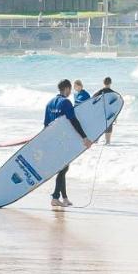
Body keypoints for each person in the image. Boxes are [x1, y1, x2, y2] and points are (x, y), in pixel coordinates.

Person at [45, 79, 93, 207]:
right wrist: (84, 137)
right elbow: (73, 120)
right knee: (63, 169)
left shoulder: (50, 103)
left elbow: (45, 126)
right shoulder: (66, 102)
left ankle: (64, 198)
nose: (70, 91)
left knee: (63, 168)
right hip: (63, 141)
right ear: (66, 88)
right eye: (70, 89)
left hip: (53, 141)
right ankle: (55, 198)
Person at [92, 77, 115, 145]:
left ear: (103, 83)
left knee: (99, 126)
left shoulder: (100, 91)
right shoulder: (113, 92)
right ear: (110, 83)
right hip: (109, 111)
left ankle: (96, 140)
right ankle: (107, 141)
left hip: (101, 111)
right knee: (109, 126)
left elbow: (93, 98)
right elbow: (115, 104)